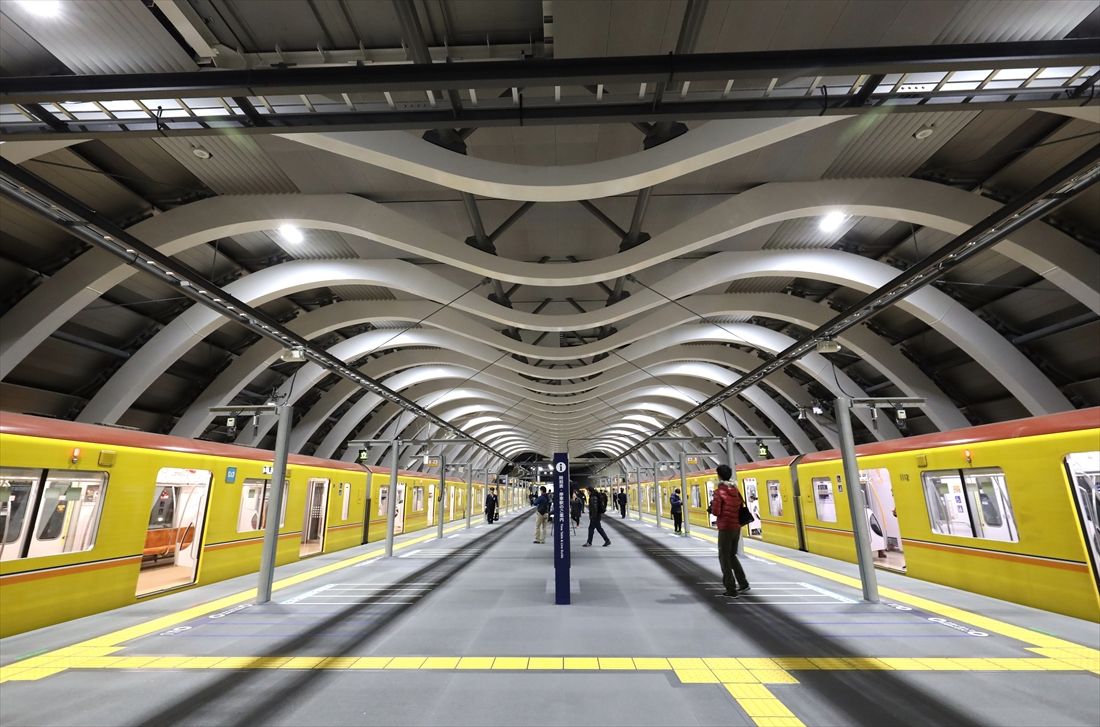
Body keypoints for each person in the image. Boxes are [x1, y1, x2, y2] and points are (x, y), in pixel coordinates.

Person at [710, 464, 750, 598]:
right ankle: (743, 583)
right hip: (736, 527)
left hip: (725, 528)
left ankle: (731, 589)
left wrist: (712, 506)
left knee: (724, 558)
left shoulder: (719, 492)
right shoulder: (735, 489)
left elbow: (716, 511)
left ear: (719, 475)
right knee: (732, 556)